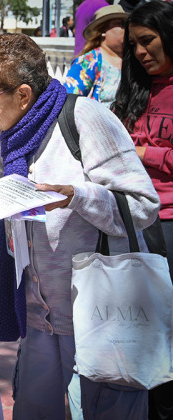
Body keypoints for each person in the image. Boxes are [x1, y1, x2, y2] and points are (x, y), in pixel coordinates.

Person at [0, 33, 157, 418]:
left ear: (23, 95)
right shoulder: (9, 137)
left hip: (98, 315)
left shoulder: (86, 118)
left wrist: (78, 196)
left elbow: (143, 206)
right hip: (38, 312)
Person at [112, 2, 173, 418]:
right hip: (131, 219)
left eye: (148, 41)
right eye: (134, 44)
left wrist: (145, 151)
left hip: (169, 221)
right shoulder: (135, 88)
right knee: (139, 328)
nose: (140, 53)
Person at [63, 5, 127, 107]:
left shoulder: (132, 59)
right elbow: (68, 103)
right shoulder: (88, 62)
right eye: (120, 24)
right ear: (103, 31)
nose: (126, 29)